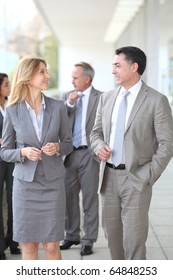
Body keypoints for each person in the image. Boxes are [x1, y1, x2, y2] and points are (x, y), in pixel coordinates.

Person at [90, 46, 173, 260]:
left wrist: (148, 174)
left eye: (117, 65)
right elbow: (95, 133)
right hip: (108, 178)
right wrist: (99, 147)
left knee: (134, 241)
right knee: (113, 239)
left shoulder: (157, 100)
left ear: (134, 67)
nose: (113, 71)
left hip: (136, 178)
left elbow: (167, 143)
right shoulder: (107, 98)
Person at [0, 56, 73, 260]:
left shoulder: (58, 107)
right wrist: (22, 152)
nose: (47, 76)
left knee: (51, 246)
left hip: (52, 184)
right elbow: (5, 150)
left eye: (46, 71)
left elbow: (69, 143)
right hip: (25, 187)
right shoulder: (13, 110)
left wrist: (58, 147)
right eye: (42, 71)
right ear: (28, 76)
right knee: (29, 247)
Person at [60, 62, 102, 256]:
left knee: (89, 198)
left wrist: (99, 150)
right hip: (69, 154)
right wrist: (69, 104)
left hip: (89, 154)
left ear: (87, 79)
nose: (72, 80)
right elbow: (59, 121)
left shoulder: (101, 98)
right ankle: (71, 235)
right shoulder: (67, 97)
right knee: (69, 197)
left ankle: (88, 239)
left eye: (76, 77)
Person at [0, 73, 21, 260]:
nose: (9, 87)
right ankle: (0, 246)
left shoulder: (11, 105)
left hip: (12, 159)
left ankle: (13, 241)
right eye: (6, 84)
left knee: (14, 200)